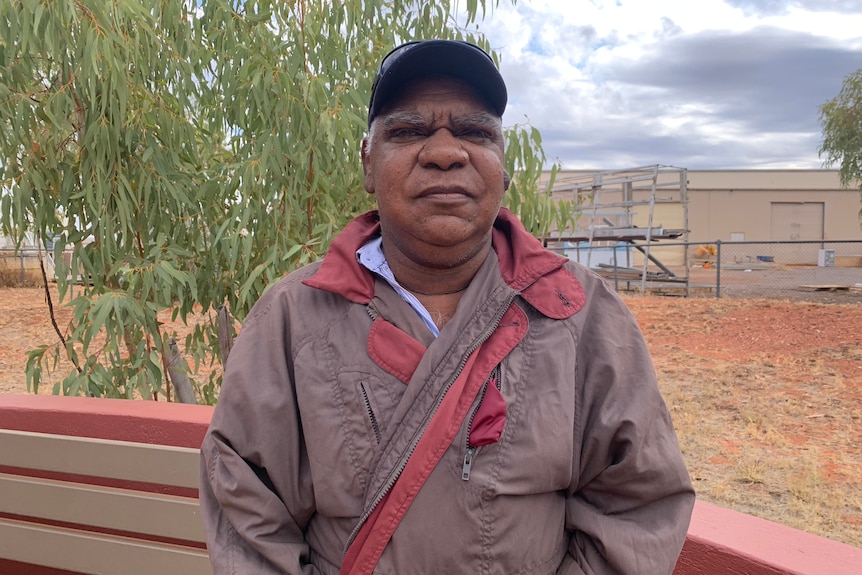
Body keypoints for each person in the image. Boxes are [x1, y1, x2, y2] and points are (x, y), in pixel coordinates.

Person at [200, 39, 695, 575]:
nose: (444, 152)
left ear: (504, 171)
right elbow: (249, 517)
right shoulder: (292, 317)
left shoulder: (580, 312)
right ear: (368, 164)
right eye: (409, 131)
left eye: (476, 132)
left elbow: (637, 506)